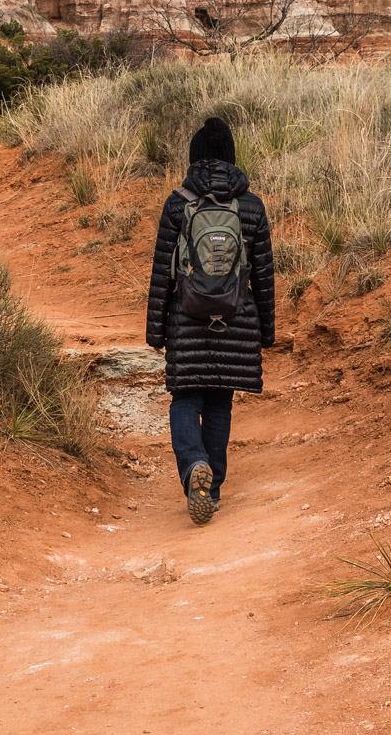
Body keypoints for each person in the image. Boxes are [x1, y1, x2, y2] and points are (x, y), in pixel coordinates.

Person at [145, 116, 276, 525]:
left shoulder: (178, 203)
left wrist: (155, 331)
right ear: (232, 156)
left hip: (186, 318)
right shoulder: (251, 206)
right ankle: (212, 490)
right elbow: (264, 275)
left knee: (186, 399)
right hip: (236, 321)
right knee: (220, 402)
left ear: (194, 157)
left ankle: (192, 467)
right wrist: (266, 333)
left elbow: (161, 273)